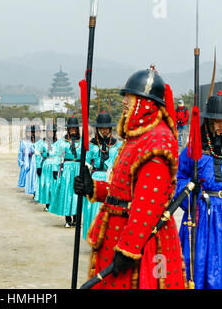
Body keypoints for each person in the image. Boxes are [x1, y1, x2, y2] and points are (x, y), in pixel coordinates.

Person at [74, 67, 187, 289]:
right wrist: (94, 189)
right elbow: (124, 189)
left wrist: (129, 247)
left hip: (142, 243)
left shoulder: (157, 140)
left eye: (129, 96)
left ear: (146, 102)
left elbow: (147, 203)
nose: (125, 101)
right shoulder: (137, 137)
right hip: (118, 231)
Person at [175, 93, 222, 289]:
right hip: (202, 217)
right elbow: (178, 178)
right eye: (216, 121)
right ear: (208, 122)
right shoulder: (194, 150)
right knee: (200, 265)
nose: (221, 126)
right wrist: (192, 197)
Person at [82, 111, 122, 238]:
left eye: (106, 128)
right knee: (93, 211)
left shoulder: (117, 145)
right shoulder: (91, 145)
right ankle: (93, 236)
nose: (104, 131)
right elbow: (86, 162)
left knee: (108, 211)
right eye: (102, 128)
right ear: (98, 128)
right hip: (95, 178)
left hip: (110, 180)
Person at [48, 117, 82, 228]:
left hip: (78, 168)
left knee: (77, 193)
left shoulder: (82, 141)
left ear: (77, 129)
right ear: (68, 129)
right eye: (70, 128)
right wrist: (55, 169)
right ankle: (67, 219)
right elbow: (57, 156)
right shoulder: (62, 142)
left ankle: (76, 219)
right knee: (67, 193)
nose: (73, 129)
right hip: (67, 169)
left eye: (74, 128)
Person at [38, 122, 59, 211]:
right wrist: (38, 166)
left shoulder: (58, 142)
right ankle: (47, 204)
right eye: (49, 131)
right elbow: (39, 155)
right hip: (46, 165)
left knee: (54, 184)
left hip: (55, 164)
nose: (50, 133)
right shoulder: (43, 143)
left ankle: (54, 203)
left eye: (52, 131)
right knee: (47, 184)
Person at [17, 125, 32, 190]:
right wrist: (21, 162)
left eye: (30, 132)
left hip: (30, 160)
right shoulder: (22, 142)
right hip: (24, 160)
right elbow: (20, 152)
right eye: (28, 132)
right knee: (24, 172)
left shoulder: (32, 141)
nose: (29, 133)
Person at [33, 124, 46, 202]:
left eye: (38, 132)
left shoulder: (42, 142)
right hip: (33, 161)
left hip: (40, 161)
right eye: (36, 132)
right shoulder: (31, 141)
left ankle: (38, 194)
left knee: (39, 179)